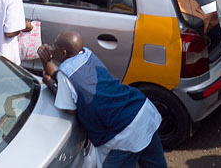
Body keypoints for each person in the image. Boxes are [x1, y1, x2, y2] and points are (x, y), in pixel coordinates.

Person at [43, 30, 165, 168]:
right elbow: (67, 79)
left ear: (64, 53)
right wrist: (48, 66)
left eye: (54, 46)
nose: (52, 48)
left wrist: (50, 83)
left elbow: (70, 108)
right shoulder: (86, 54)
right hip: (143, 110)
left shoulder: (66, 74)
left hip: (124, 132)